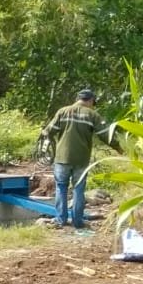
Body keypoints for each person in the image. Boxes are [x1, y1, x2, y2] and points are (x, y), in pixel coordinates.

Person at [43, 88, 103, 229]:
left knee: (61, 187)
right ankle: (78, 222)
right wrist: (119, 148)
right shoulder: (93, 115)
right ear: (91, 100)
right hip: (81, 159)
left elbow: (49, 131)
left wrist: (46, 135)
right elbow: (105, 134)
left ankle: (61, 220)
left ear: (78, 99)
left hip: (62, 158)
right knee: (78, 189)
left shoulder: (63, 111)